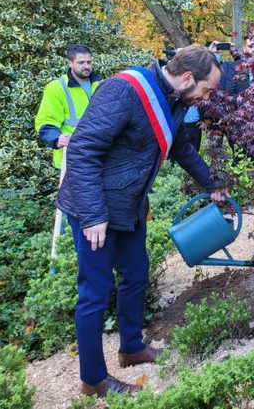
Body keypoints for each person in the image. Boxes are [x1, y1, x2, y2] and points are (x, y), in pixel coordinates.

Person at [55, 44, 226, 397]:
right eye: (207, 89)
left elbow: (180, 148)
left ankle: (130, 349)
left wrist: (213, 185)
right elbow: (83, 149)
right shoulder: (124, 90)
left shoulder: (175, 102)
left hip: (128, 207)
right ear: (187, 77)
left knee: (135, 275)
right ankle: (94, 381)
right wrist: (93, 215)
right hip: (95, 210)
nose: (207, 97)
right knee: (95, 291)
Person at [35, 44, 102, 169]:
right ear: (70, 63)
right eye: (81, 62)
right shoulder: (56, 88)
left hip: (99, 155)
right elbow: (46, 121)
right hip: (71, 158)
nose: (86, 66)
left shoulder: (101, 85)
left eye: (89, 62)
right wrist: (56, 138)